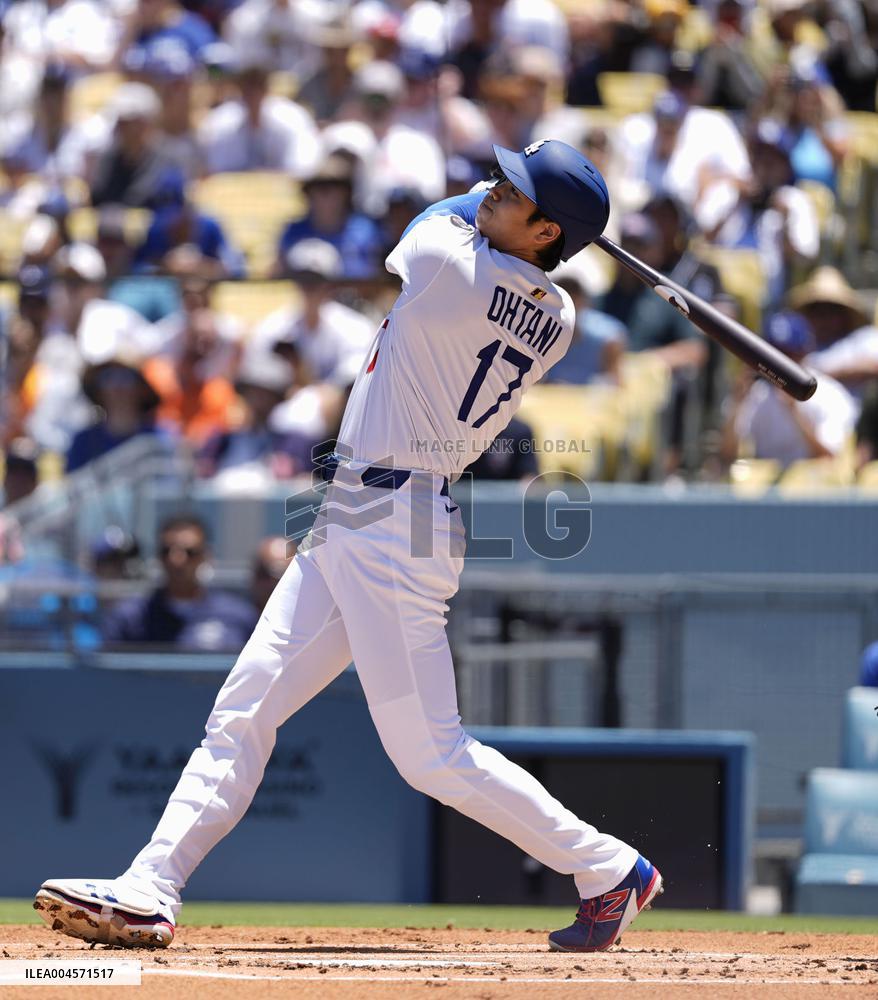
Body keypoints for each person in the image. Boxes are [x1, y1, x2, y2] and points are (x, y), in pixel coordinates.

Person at [35, 139, 662, 954]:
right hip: (364, 514)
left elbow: (446, 216)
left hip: (390, 527)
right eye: (503, 181)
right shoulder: (560, 314)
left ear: (547, 231)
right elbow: (493, 227)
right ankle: (150, 887)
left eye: (516, 188)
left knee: (430, 754)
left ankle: (608, 868)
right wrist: (546, 212)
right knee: (245, 711)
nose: (493, 188)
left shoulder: (447, 261)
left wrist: (523, 208)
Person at [721, 311, 857, 467]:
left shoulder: (829, 394)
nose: (779, 363)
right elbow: (727, 455)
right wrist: (738, 403)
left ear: (803, 352)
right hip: (766, 487)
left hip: (815, 485)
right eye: (773, 355)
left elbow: (829, 458)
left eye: (788, 354)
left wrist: (794, 410)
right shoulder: (756, 394)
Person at [100, 514, 257, 650]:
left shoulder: (239, 616)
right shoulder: (129, 618)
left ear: (206, 556)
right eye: (167, 551)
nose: (177, 561)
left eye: (189, 552)